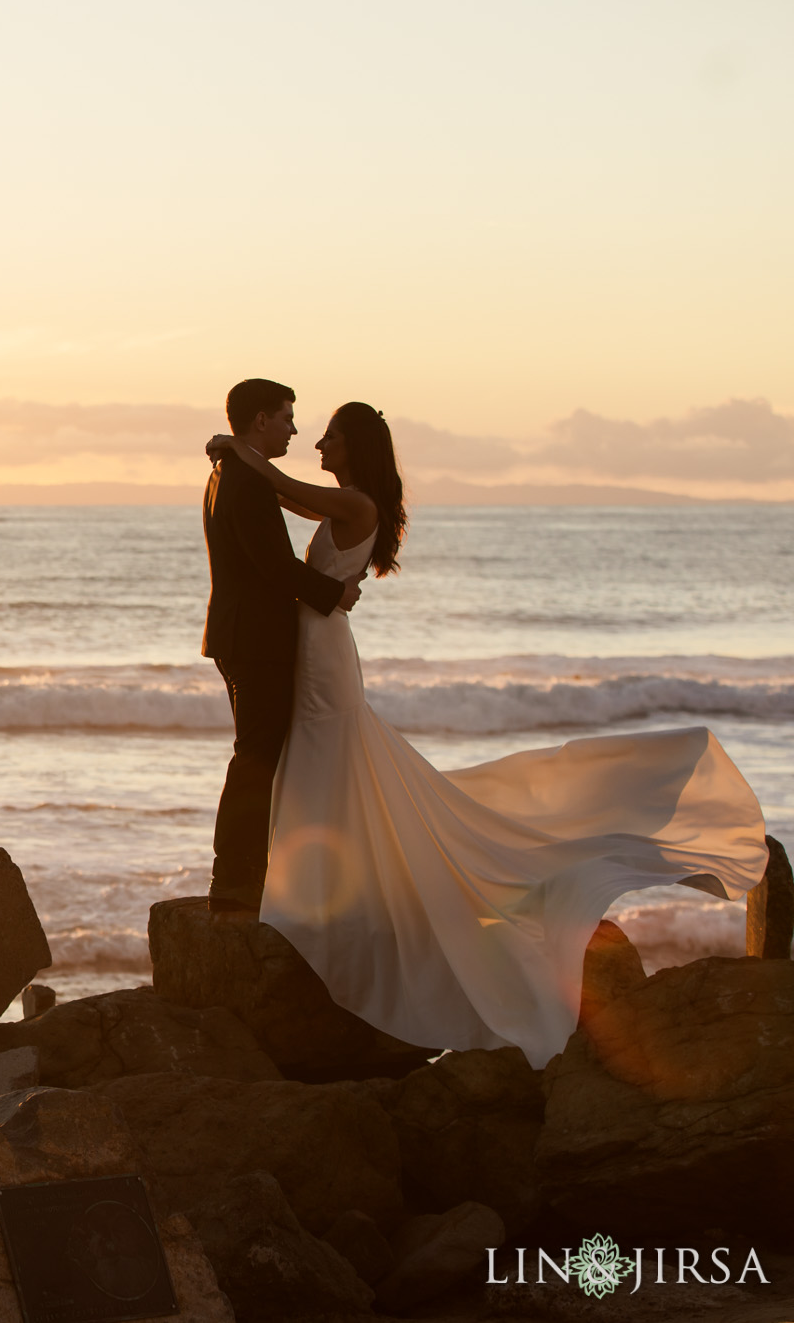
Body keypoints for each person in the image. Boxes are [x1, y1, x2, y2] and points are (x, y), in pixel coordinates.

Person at [206, 401, 768, 1065]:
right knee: (325, 757)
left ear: (353, 445)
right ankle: (317, 880)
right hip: (318, 638)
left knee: (328, 752)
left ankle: (321, 888)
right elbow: (295, 505)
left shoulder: (356, 504)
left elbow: (287, 491)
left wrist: (239, 452)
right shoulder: (347, 501)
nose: (316, 442)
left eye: (328, 434)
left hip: (324, 647)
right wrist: (245, 461)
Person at [201, 378, 362, 915]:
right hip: (254, 638)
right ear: (261, 420)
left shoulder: (234, 471)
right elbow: (273, 565)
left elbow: (300, 511)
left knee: (259, 755)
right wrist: (334, 593)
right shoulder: (242, 479)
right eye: (288, 417)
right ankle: (233, 880)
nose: (296, 428)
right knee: (255, 756)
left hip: (241, 633)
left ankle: (249, 873)